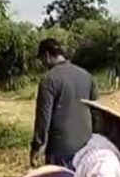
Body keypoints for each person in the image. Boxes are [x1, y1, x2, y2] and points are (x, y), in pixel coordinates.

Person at [31, 38, 98, 169]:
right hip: (86, 149)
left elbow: (43, 119)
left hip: (60, 150)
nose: (43, 63)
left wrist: (36, 147)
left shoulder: (49, 79)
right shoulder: (88, 77)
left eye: (42, 59)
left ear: (47, 55)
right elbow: (97, 114)